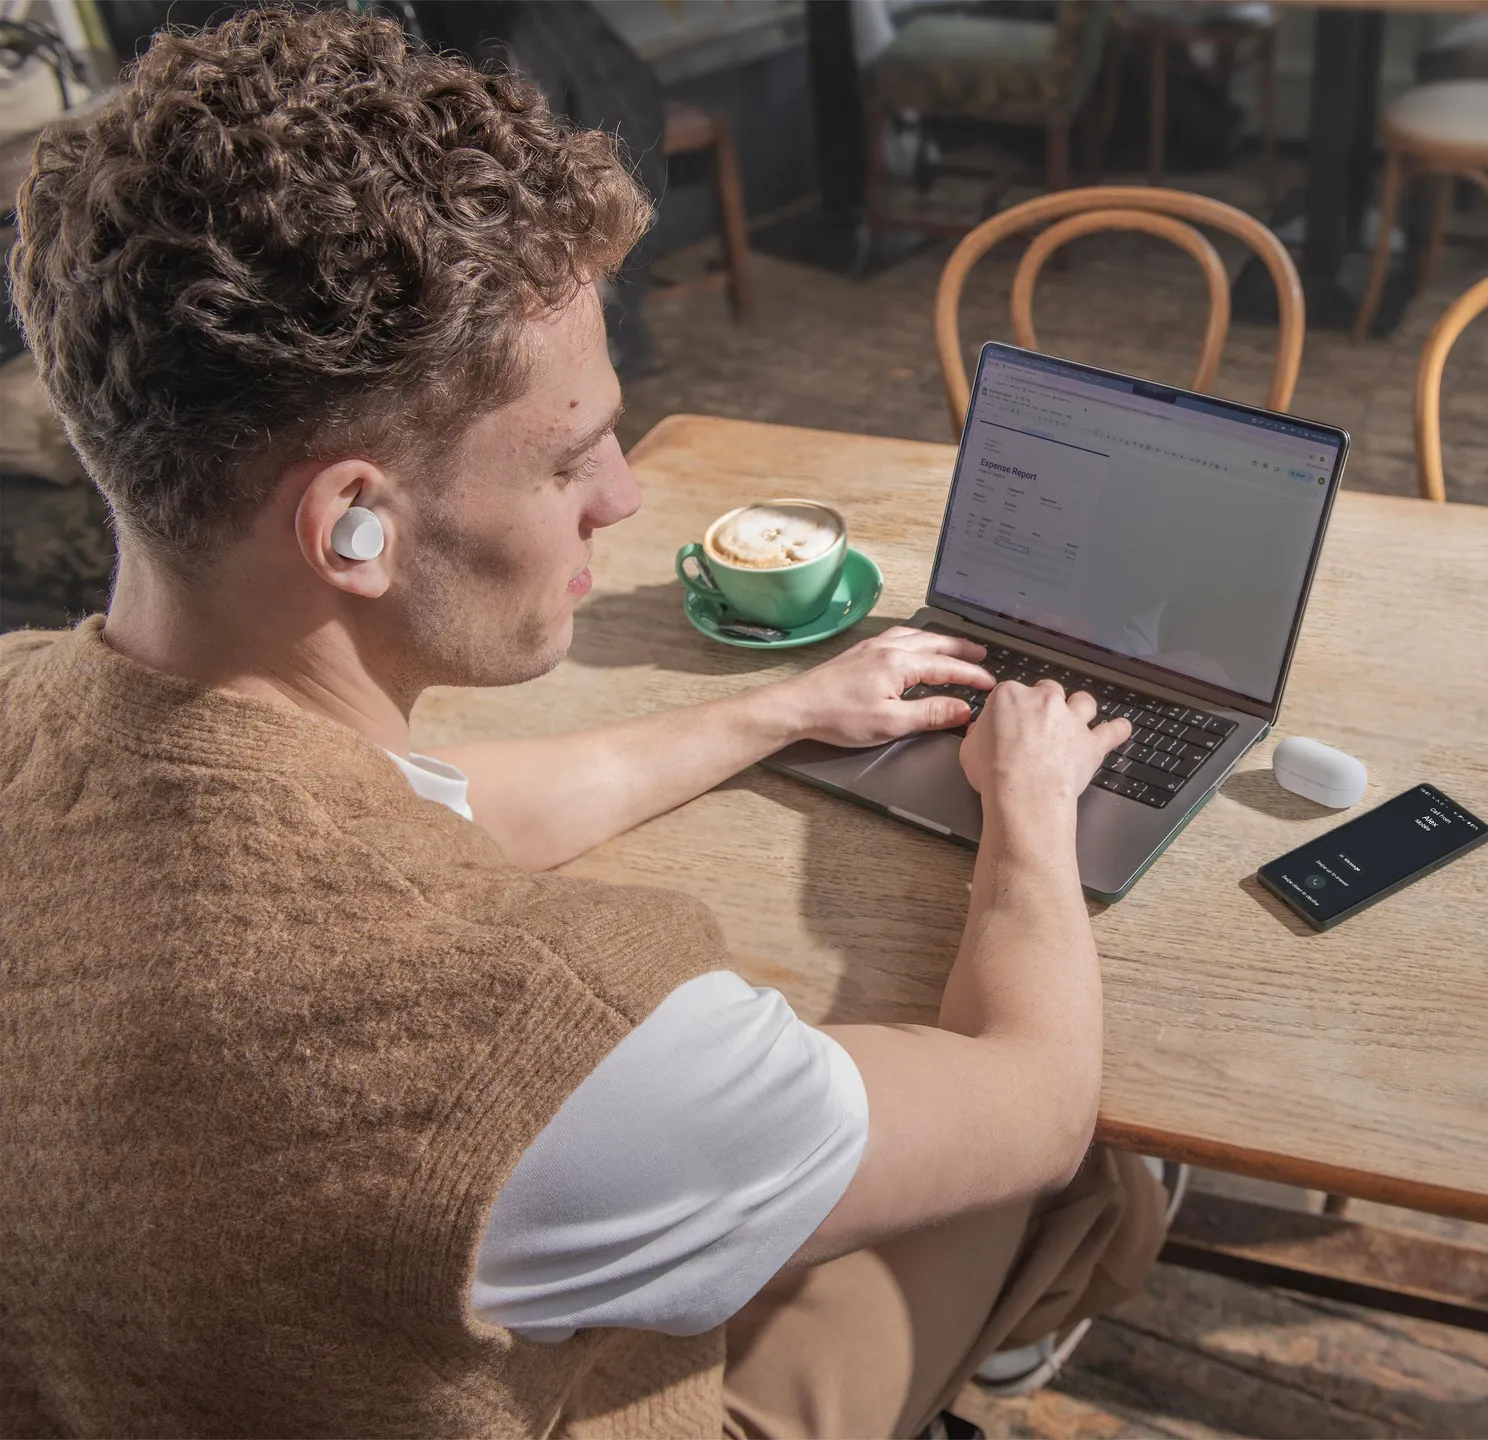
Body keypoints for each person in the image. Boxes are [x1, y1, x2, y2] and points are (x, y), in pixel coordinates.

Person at [0, 10, 1166, 1437]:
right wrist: (1033, 806)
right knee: (1073, 1159)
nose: (621, 496)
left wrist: (775, 712)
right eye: (568, 458)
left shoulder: (31, 708)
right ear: (353, 523)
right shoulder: (553, 1033)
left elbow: (421, 808)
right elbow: (1033, 1098)